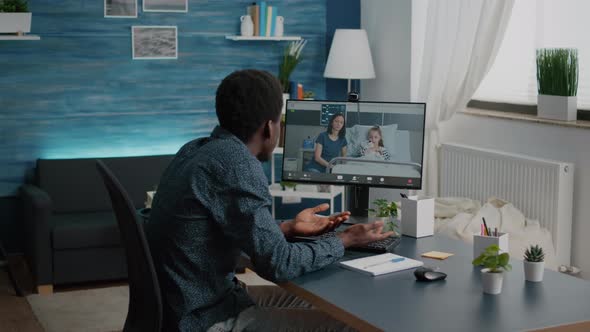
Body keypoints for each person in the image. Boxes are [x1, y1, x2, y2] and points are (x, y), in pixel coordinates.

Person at [145, 69, 394, 332]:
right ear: (269, 126)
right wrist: (346, 239)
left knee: (317, 306)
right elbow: (280, 264)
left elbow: (224, 228)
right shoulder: (236, 164)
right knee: (349, 326)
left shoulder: (196, 149)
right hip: (204, 318)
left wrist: (286, 227)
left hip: (192, 302)